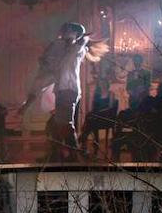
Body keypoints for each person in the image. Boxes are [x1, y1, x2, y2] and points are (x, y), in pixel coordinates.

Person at [17, 22, 108, 157]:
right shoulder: (60, 56)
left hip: (68, 91)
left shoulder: (76, 50)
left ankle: (75, 154)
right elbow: (39, 84)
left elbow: (78, 45)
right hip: (62, 92)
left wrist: (83, 38)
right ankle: (58, 155)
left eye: (67, 31)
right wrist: (26, 105)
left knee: (65, 124)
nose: (63, 34)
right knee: (53, 127)